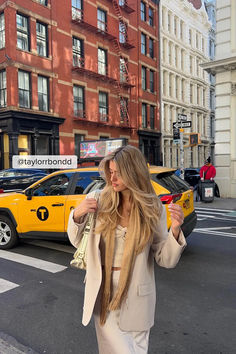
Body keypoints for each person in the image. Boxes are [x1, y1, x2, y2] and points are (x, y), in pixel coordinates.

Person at [67, 145, 186, 354]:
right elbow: (78, 242)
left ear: (134, 173)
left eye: (118, 173)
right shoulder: (99, 200)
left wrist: (175, 231)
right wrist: (77, 214)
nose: (112, 179)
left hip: (137, 296)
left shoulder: (152, 208)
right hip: (103, 293)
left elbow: (164, 258)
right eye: (110, 172)